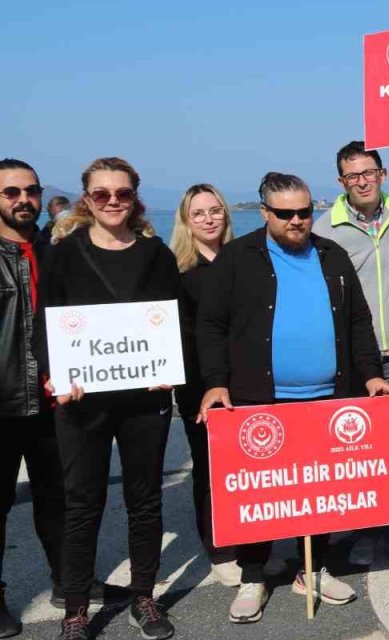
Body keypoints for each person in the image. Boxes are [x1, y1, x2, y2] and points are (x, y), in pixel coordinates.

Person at [196, 172, 389, 624]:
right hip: (259, 399)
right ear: (265, 212)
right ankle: (253, 574)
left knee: (318, 494)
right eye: (285, 213)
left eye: (304, 211)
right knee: (261, 494)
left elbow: (358, 323)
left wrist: (371, 377)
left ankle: (314, 567)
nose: (297, 220)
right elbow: (210, 325)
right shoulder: (236, 258)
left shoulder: (332, 255)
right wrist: (216, 381)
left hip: (327, 397)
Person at [39, 157, 179, 640]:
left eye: (121, 193)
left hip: (145, 398)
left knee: (145, 501)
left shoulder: (157, 254)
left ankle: (145, 595)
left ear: (135, 197)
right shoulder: (63, 253)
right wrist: (56, 377)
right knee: (82, 504)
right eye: (102, 194)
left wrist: (167, 366)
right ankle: (76, 609)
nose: (113, 202)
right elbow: (45, 323)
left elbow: (171, 321)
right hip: (82, 401)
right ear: (87, 199)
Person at [315, 141, 389, 568]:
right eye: (351, 175)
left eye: (368, 172)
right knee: (358, 450)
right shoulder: (325, 228)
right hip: (355, 361)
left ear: (383, 173)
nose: (361, 181)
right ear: (341, 182)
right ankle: (364, 532)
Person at [0, 159, 65, 638]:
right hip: (1, 404)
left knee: (60, 500)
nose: (23, 199)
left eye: (31, 191)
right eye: (10, 192)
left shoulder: (53, 249)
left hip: (54, 403)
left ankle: (70, 582)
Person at [170, 184, 238, 587]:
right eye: (199, 213)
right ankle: (219, 548)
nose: (209, 219)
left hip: (243, 378)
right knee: (209, 469)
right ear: (186, 221)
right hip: (197, 383)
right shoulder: (177, 272)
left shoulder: (243, 260)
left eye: (215, 210)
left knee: (245, 464)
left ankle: (250, 541)